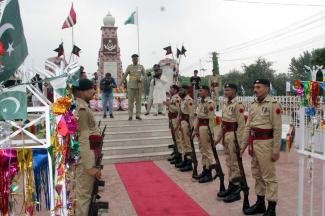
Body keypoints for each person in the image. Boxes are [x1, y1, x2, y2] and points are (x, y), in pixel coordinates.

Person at [241, 79, 282, 216]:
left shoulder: (273, 104)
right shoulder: (253, 105)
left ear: (266, 88)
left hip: (266, 144)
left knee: (269, 177)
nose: (255, 89)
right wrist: (243, 146)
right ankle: (260, 204)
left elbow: (277, 129)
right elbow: (248, 127)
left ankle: (271, 208)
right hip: (254, 143)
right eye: (254, 87)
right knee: (257, 175)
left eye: (258, 87)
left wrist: (276, 150)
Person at [73, 79, 102, 216]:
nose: (93, 91)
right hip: (85, 158)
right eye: (90, 88)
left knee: (86, 195)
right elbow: (84, 138)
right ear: (80, 91)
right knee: (84, 196)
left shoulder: (82, 105)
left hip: (88, 154)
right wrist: (90, 166)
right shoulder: (82, 108)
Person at [214, 83, 246, 202]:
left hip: (233, 136)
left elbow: (242, 125)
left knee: (235, 163)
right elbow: (223, 124)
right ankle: (231, 186)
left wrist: (238, 142)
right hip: (226, 135)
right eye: (225, 90)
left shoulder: (238, 105)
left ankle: (236, 190)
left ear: (234, 91)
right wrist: (217, 138)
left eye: (228, 90)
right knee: (229, 162)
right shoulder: (226, 104)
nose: (225, 92)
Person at [192, 85, 215, 183]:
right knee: (202, 150)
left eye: (201, 91)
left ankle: (209, 173)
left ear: (206, 91)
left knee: (207, 151)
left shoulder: (210, 103)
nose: (199, 92)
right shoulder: (201, 102)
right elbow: (198, 117)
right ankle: (205, 170)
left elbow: (212, 119)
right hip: (200, 127)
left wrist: (211, 133)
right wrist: (195, 130)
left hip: (206, 128)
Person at [119, 54, 145, 120]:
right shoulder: (129, 67)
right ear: (132, 60)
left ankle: (138, 115)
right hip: (131, 87)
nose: (135, 60)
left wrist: (141, 79)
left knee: (139, 102)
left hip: (139, 87)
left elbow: (145, 76)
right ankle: (130, 115)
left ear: (137, 59)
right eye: (134, 59)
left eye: (136, 59)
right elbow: (124, 75)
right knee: (130, 102)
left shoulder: (141, 67)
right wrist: (120, 83)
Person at [176, 85, 194, 172]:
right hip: (182, 123)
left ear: (186, 90)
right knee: (183, 142)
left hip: (187, 124)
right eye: (179, 90)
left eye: (181, 90)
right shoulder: (182, 100)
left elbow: (191, 115)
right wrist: (177, 124)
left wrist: (191, 128)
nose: (179, 92)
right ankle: (185, 160)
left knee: (187, 143)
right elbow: (179, 113)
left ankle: (189, 163)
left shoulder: (189, 100)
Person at [165, 85, 182, 165]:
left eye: (171, 89)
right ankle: (176, 154)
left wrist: (168, 105)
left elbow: (178, 109)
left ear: (175, 90)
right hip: (172, 119)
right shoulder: (173, 97)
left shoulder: (177, 98)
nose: (170, 90)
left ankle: (179, 157)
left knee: (177, 138)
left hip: (175, 119)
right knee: (174, 138)